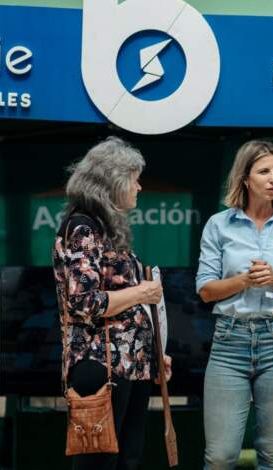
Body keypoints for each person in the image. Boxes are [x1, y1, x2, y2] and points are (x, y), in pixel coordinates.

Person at [196, 140, 273, 470]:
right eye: (264, 171)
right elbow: (205, 291)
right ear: (245, 178)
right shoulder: (218, 225)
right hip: (229, 341)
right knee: (220, 456)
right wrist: (244, 281)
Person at [53, 136, 171, 470]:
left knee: (127, 460)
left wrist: (154, 355)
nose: (139, 187)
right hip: (99, 365)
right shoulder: (81, 228)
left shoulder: (107, 230)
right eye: (134, 178)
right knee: (98, 462)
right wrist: (143, 293)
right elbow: (83, 301)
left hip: (130, 365)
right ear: (113, 181)